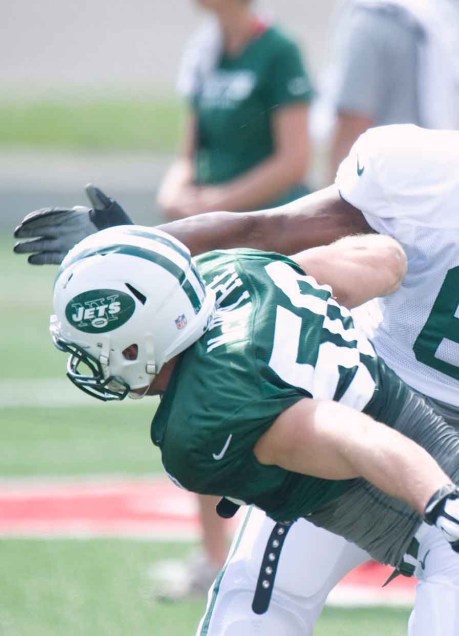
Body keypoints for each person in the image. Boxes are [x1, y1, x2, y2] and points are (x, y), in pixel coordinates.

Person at [16, 42, 459, 636]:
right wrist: (135, 245)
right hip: (367, 399)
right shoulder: (424, 176)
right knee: (254, 621)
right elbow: (267, 230)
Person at [153, 0, 315, 599]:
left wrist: (217, 206)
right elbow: (186, 152)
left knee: (280, 388)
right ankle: (213, 558)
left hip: (267, 251)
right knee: (193, 385)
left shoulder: (280, 52)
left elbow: (295, 161)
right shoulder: (203, 52)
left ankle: (292, 549)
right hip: (208, 246)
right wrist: (178, 191)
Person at [314, 0, 459, 182]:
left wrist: (333, 197)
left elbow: (352, 125)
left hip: (388, 193)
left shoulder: (372, 21)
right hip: (455, 182)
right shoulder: (455, 16)